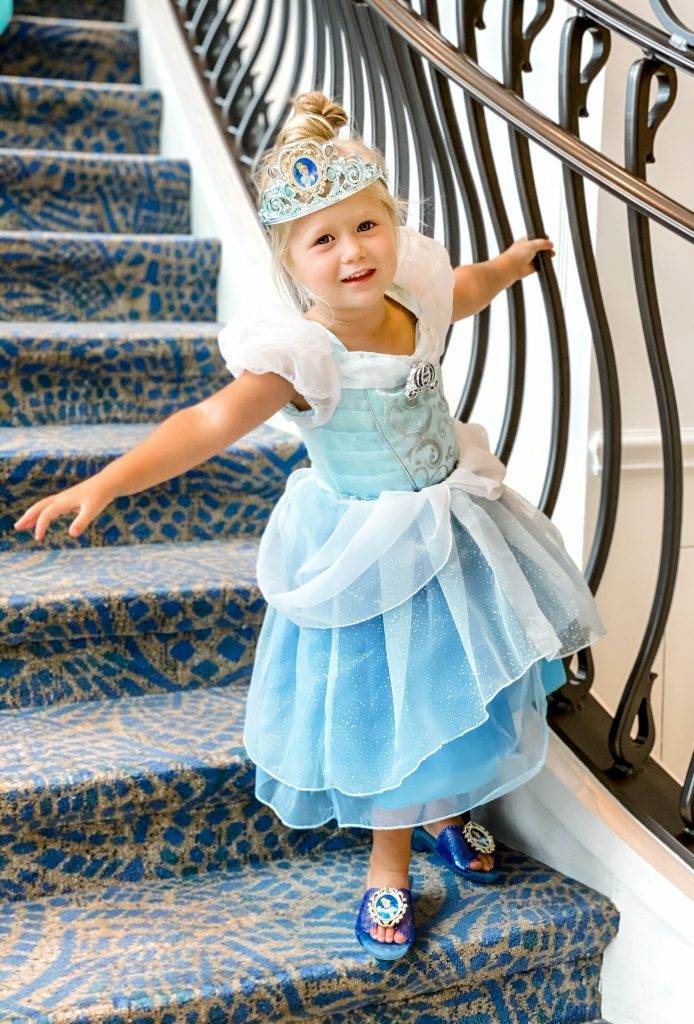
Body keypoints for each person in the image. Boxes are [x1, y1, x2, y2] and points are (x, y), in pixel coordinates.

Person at [13, 90, 606, 964]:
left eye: (366, 226)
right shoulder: (305, 355)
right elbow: (210, 423)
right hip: (368, 556)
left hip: (457, 531)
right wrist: (107, 482)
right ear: (293, 264)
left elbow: (469, 288)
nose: (352, 253)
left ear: (393, 228)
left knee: (454, 682)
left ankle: (447, 814)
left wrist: (514, 262)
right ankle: (387, 868)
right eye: (323, 240)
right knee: (393, 711)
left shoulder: (418, 293)